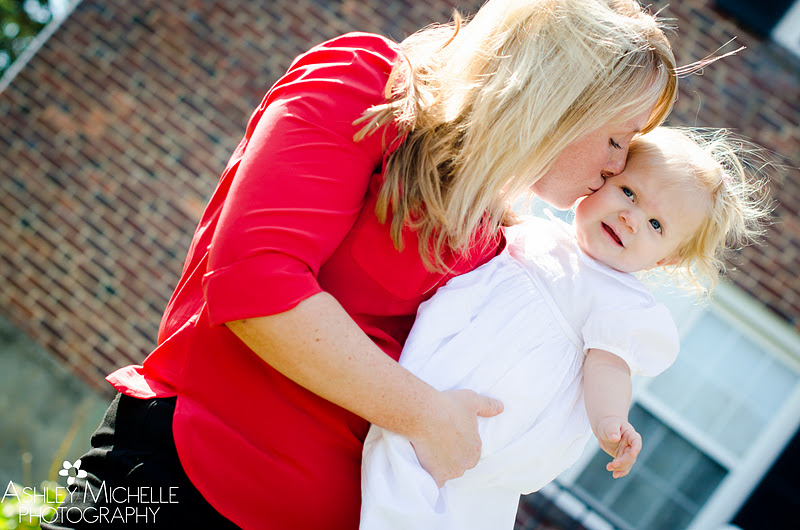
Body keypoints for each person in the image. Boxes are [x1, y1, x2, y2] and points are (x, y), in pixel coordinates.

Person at [43, 1, 680, 529]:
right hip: (181, 481)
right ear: (558, 98)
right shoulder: (367, 83)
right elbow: (255, 283)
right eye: (616, 138)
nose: (617, 167)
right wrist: (426, 415)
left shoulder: (501, 238)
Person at [359, 126, 773, 530]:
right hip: (433, 373)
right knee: (391, 462)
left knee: (448, 496)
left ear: (664, 260)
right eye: (628, 193)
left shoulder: (622, 303)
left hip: (502, 411)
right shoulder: (534, 232)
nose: (631, 219)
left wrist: (609, 420)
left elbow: (609, 367)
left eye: (655, 225)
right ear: (600, 181)